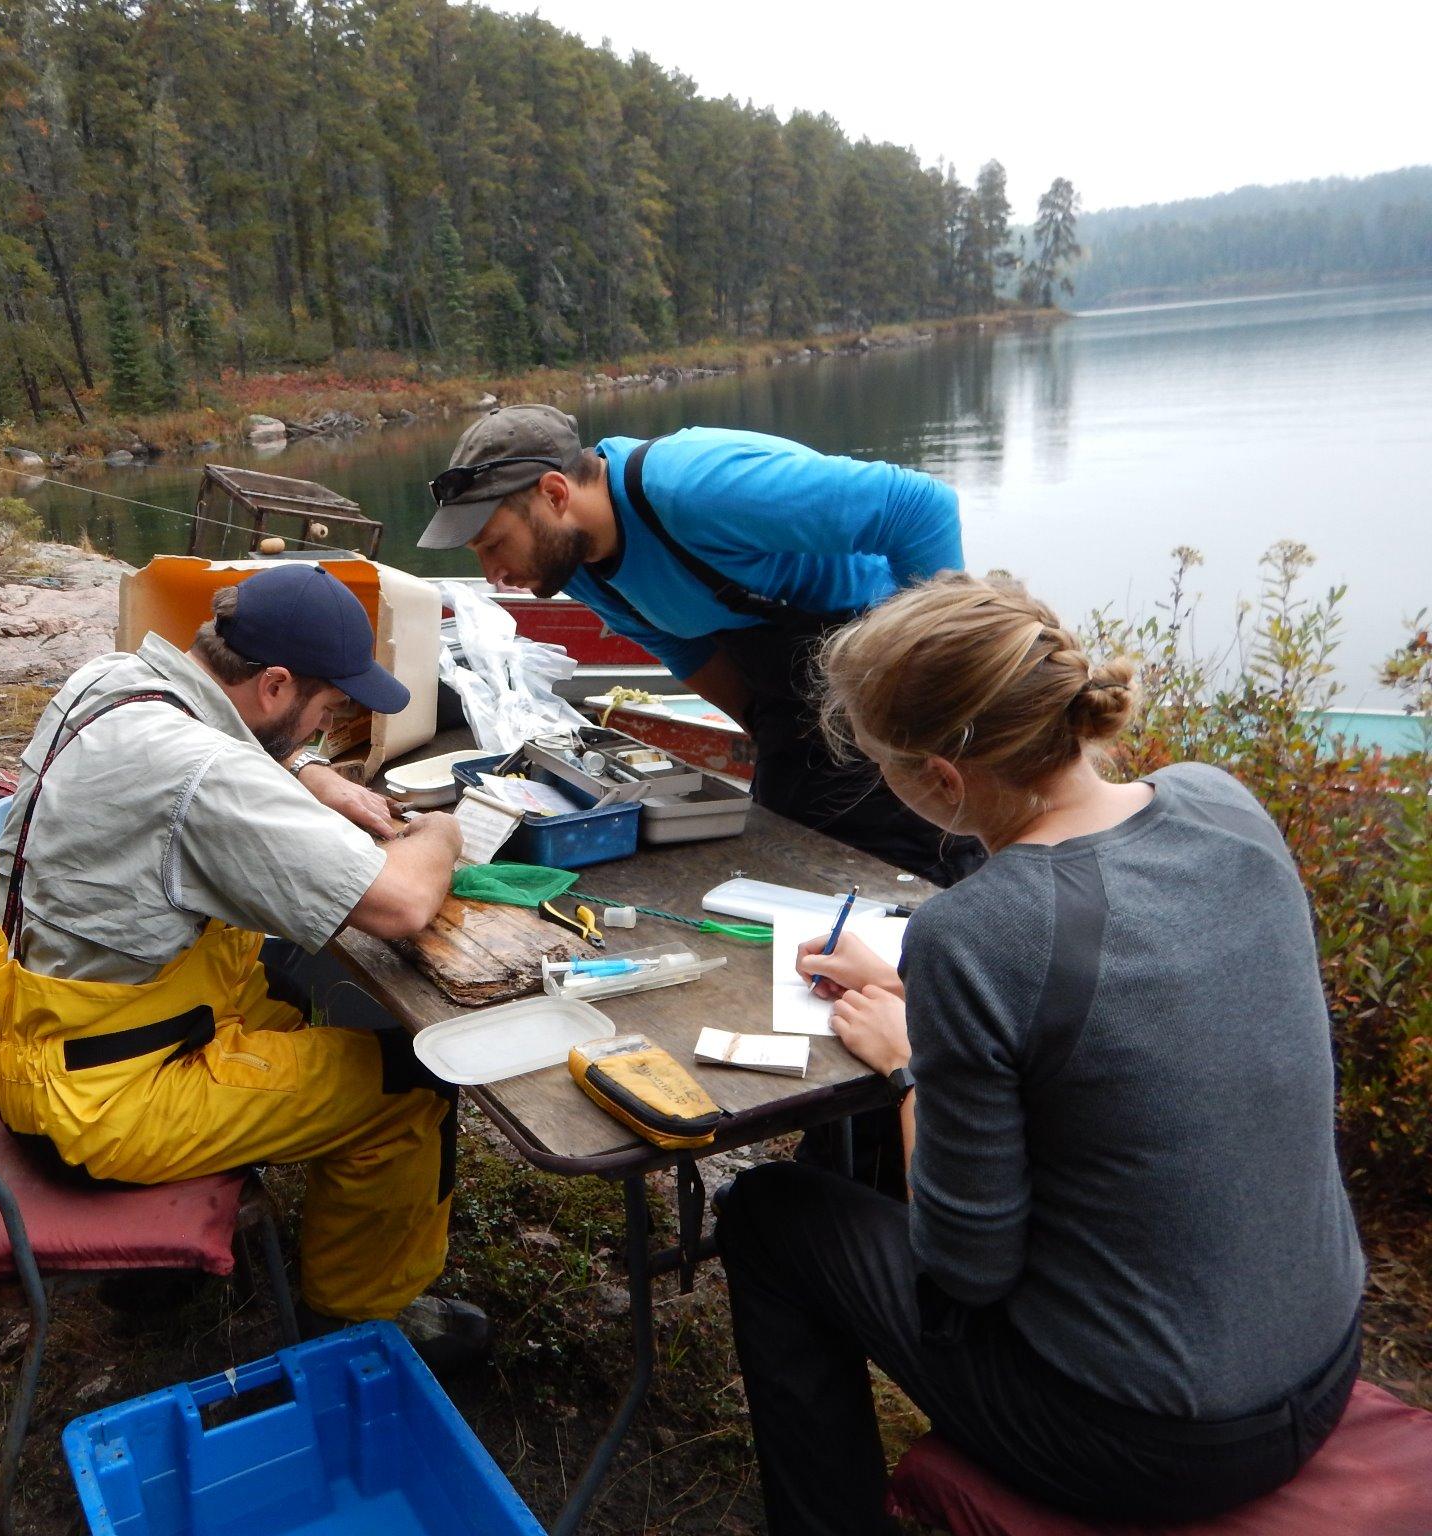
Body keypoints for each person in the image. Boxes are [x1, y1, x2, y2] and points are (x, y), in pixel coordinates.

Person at [714, 573, 1365, 1534]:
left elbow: (966, 1270)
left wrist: (910, 1064)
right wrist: (931, 1012)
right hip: (1324, 1357)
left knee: (769, 1214)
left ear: (940, 776)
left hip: (1146, 1440)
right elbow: (1126, 1033)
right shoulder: (1218, 801)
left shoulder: (976, 935)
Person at [0, 562, 488, 1367]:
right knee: (410, 1086)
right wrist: (445, 836)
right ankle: (360, 1322)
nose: (322, 729)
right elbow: (400, 905)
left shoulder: (109, 681)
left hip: (34, 1046)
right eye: (324, 713)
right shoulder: (203, 771)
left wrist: (306, 773)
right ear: (276, 685)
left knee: (290, 990)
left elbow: (217, 758)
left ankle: (162, 1275)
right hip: (108, 1102)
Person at [418, 405, 984, 888]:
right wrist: (766, 730)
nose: (492, 573)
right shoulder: (577, 565)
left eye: (494, 544)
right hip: (789, 683)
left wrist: (945, 690)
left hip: (884, 654)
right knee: (787, 859)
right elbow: (687, 651)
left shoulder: (695, 486)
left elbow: (920, 506)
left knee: (919, 862)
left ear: (554, 492)